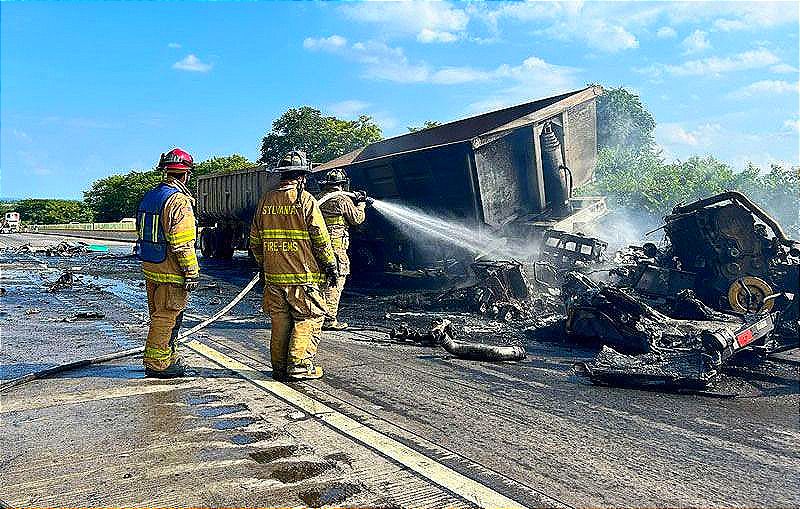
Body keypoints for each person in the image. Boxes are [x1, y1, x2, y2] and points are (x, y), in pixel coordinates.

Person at [249, 150, 338, 381]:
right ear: (301, 176)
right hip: (302, 276)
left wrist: (264, 265)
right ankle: (299, 366)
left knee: (280, 321)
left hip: (274, 277)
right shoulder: (305, 200)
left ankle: (280, 368)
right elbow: (320, 237)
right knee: (310, 316)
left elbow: (255, 240)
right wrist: (330, 264)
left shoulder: (266, 200)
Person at [136, 148, 200, 378]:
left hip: (151, 265)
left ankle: (166, 354)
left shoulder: (151, 196)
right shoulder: (178, 201)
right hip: (170, 269)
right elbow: (182, 242)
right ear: (186, 174)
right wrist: (191, 271)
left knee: (158, 313)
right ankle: (158, 363)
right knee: (167, 315)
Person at [316, 168, 368, 330]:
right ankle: (329, 319)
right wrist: (361, 205)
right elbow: (357, 219)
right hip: (336, 251)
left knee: (319, 284)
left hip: (317, 250)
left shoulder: (318, 199)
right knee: (334, 283)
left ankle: (316, 317)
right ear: (343, 184)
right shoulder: (342, 200)